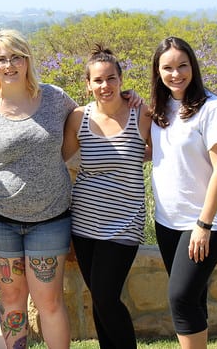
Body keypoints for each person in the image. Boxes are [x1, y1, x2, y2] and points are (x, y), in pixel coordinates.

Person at [0, 29, 76, 349]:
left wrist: (127, 101)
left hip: (51, 219)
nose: (9, 65)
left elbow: (88, 120)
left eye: (16, 57)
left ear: (27, 60)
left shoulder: (55, 98)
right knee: (11, 299)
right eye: (2, 59)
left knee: (49, 302)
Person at [63, 45, 151, 348]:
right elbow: (57, 159)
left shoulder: (141, 113)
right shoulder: (78, 118)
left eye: (111, 78)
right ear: (88, 84)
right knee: (100, 300)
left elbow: (162, 152)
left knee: (105, 296)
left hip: (125, 223)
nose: (105, 86)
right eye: (98, 80)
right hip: (85, 223)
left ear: (121, 79)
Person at [149, 37, 217, 349]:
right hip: (167, 222)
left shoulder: (212, 109)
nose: (176, 73)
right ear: (158, 72)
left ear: (193, 67)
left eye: (182, 65)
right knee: (194, 299)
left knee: (181, 299)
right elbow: (154, 151)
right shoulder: (161, 108)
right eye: (167, 67)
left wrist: (204, 224)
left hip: (201, 224)